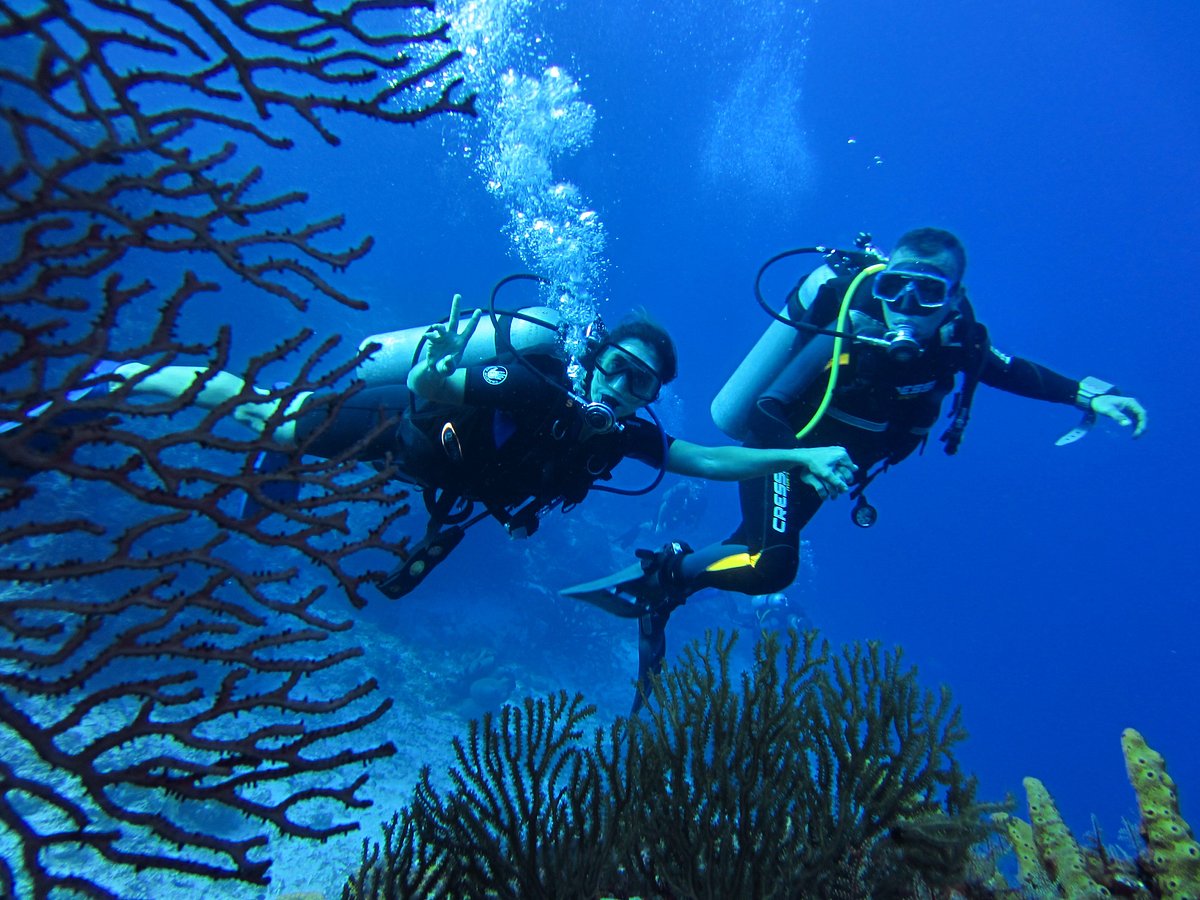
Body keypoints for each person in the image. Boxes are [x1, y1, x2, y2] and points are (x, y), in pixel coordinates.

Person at [566, 227, 1148, 709]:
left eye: (927, 293)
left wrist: (1085, 395)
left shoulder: (959, 341)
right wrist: (802, 458)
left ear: (952, 298)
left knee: (750, 547)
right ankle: (669, 575)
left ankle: (667, 584)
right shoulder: (855, 325)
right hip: (785, 449)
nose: (905, 308)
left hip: (827, 470)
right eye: (896, 287)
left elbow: (1013, 370)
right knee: (774, 567)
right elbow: (766, 409)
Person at [108, 293, 857, 596]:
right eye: (621, 371)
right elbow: (443, 391)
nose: (625, 392)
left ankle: (280, 452)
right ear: (594, 357)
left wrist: (796, 456)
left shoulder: (622, 431)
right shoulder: (535, 383)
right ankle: (126, 375)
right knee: (265, 415)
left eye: (642, 389)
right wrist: (436, 375)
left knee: (277, 432)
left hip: (446, 475)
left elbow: (705, 458)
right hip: (394, 429)